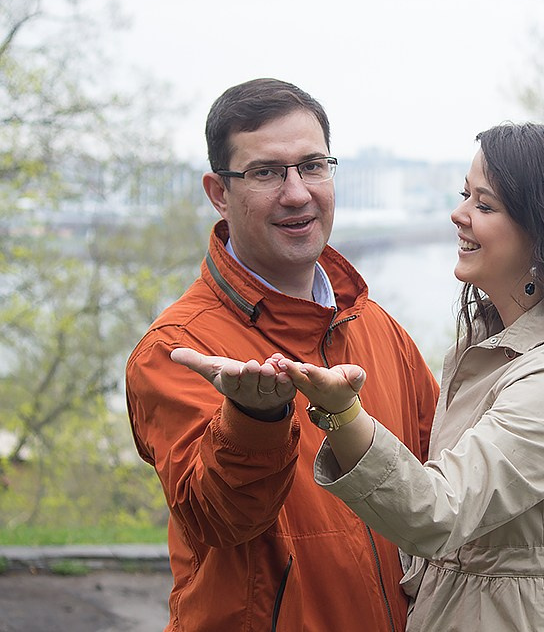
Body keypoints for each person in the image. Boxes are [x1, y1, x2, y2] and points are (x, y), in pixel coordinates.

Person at [177, 122, 544, 630]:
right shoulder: (485, 349)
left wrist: (343, 415)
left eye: (485, 204)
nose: (458, 215)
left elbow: (438, 512)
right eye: (464, 196)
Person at [124, 78, 438, 632]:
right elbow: (220, 520)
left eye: (312, 165)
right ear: (219, 192)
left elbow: (445, 493)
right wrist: (254, 418)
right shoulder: (177, 349)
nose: (297, 193)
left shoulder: (376, 327)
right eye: (266, 172)